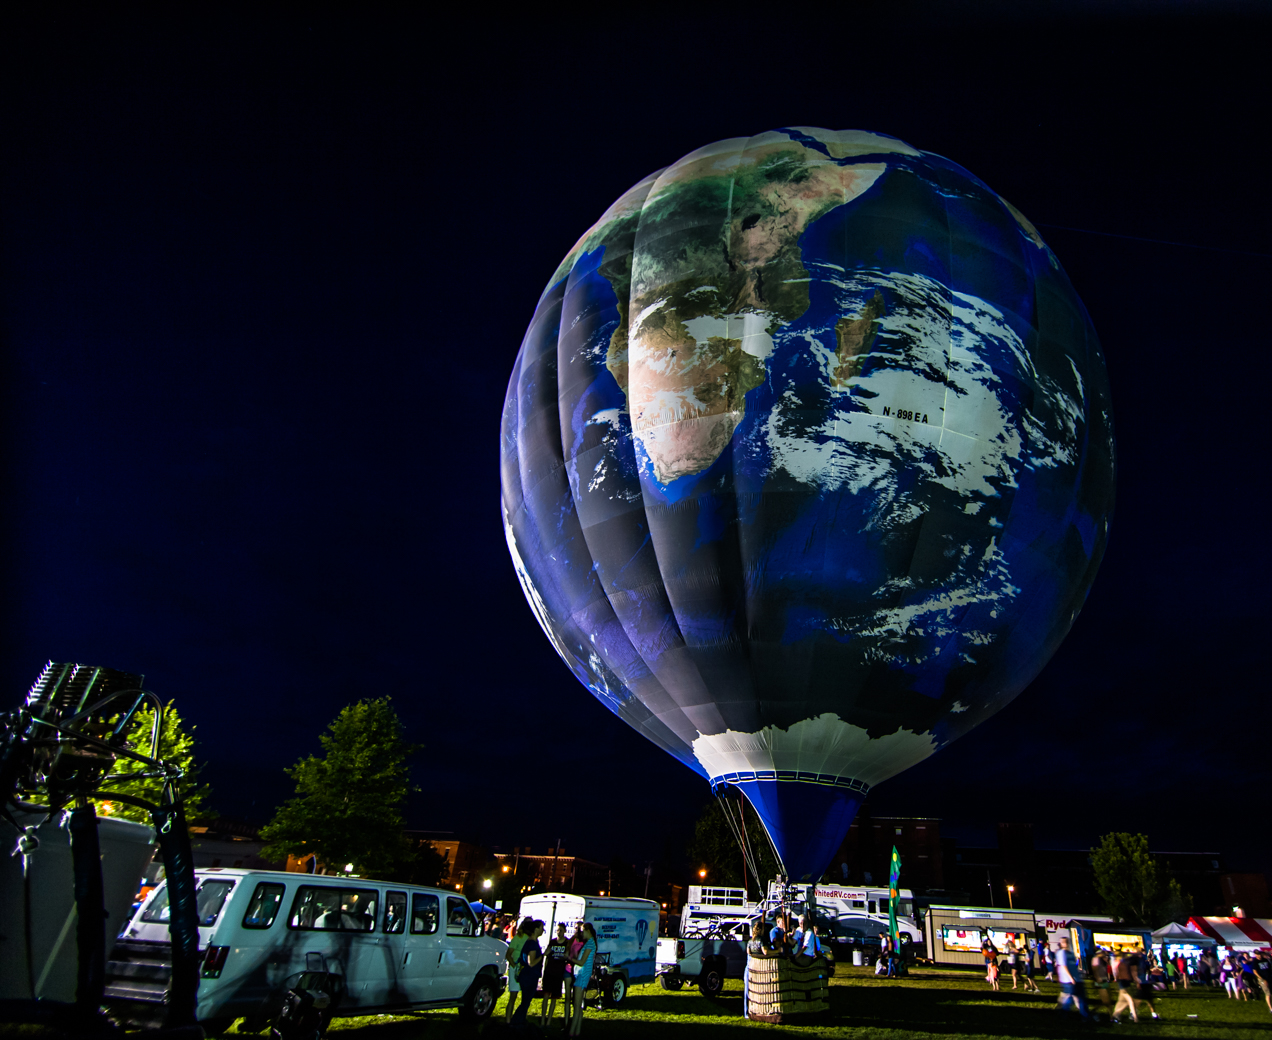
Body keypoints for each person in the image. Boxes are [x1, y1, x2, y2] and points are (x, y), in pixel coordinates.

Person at [510, 920, 545, 1030]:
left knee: (526, 1001)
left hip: (527, 975)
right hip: (529, 976)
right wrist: (543, 955)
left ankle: (519, 1022)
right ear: (536, 929)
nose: (543, 930)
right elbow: (531, 962)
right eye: (541, 927)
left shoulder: (531, 941)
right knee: (525, 1002)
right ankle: (516, 1023)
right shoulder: (532, 943)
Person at [567, 922, 598, 1037]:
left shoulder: (590, 944)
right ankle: (577, 1031)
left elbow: (581, 962)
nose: (581, 933)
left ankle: (572, 1032)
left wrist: (570, 959)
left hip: (582, 974)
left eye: (583, 930)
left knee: (576, 1005)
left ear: (588, 931)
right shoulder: (590, 943)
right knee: (578, 1005)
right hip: (581, 974)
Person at [1054, 937, 1092, 1021]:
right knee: (1069, 1000)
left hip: (1077, 979)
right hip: (1068, 981)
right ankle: (1062, 1016)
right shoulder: (1061, 953)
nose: (1066, 943)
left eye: (1067, 941)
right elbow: (1063, 966)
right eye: (1064, 942)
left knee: (1082, 998)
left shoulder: (1070, 953)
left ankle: (1085, 1017)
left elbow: (1074, 966)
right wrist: (1071, 978)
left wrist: (1079, 976)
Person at [540, 922, 569, 1026]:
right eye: (557, 930)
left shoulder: (567, 943)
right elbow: (546, 955)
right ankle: (543, 1019)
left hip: (558, 973)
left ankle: (549, 1020)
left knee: (554, 998)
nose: (559, 932)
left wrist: (565, 956)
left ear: (564, 931)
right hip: (549, 971)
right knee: (546, 996)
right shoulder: (552, 942)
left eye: (561, 930)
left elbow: (567, 956)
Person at [505, 918, 533, 1024]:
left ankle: (520, 1020)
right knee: (513, 996)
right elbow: (508, 954)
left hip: (525, 969)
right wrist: (515, 967)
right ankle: (508, 1021)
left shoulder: (531, 939)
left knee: (525, 998)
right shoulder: (518, 938)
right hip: (516, 968)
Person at [563, 922, 586, 1031]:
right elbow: (568, 953)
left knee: (576, 1001)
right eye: (575, 928)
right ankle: (566, 1023)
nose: (576, 930)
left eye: (578, 928)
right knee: (567, 997)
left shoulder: (583, 943)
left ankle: (576, 1025)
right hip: (568, 969)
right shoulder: (571, 940)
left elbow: (579, 958)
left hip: (577, 971)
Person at [1112, 949, 1139, 1023]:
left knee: (1121, 1001)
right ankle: (1135, 1017)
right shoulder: (1117, 963)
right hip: (1123, 982)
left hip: (1125, 982)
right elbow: (1116, 973)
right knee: (1129, 1000)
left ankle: (1115, 1016)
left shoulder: (1122, 962)